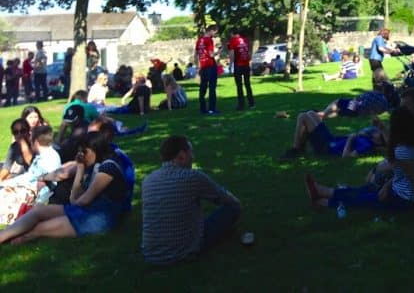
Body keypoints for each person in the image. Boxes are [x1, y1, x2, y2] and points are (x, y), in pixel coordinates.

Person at [305, 106, 414, 215]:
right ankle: (325, 192)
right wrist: (381, 128)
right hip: (403, 190)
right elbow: (408, 171)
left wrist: (387, 185)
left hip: (406, 198)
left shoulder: (404, 150)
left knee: (364, 199)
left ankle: (324, 202)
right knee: (365, 190)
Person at [0, 132, 133, 245]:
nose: (81, 155)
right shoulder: (94, 166)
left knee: (37, 229)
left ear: (95, 149)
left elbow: (82, 201)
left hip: (100, 218)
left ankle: (10, 237)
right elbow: (74, 198)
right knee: (39, 209)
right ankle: (6, 234)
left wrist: (75, 200)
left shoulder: (107, 169)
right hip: (87, 210)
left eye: (84, 151)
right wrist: (80, 168)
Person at [141, 135, 241, 265]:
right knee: (233, 208)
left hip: (151, 255)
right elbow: (228, 199)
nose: (193, 157)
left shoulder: (148, 180)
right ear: (182, 155)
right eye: (191, 152)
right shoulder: (192, 176)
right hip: (184, 251)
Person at [0, 125, 62, 225]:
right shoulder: (45, 155)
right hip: (33, 188)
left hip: (38, 193)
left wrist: (6, 183)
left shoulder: (48, 158)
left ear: (36, 142)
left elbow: (31, 177)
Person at [279, 111, 388, 160]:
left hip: (326, 148)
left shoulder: (367, 145)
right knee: (311, 113)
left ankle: (296, 149)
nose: (375, 131)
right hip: (331, 139)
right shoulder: (366, 138)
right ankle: (300, 148)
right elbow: (375, 126)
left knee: (302, 116)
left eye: (378, 133)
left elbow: (346, 157)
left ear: (379, 141)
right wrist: (378, 124)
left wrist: (350, 139)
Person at [318, 81, 400, 120]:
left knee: (338, 102)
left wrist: (355, 100)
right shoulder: (386, 106)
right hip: (359, 113)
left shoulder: (376, 94)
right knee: (339, 112)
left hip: (356, 105)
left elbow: (360, 97)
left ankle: (321, 115)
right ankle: (322, 116)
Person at [227, 27, 255, 110]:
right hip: (246, 64)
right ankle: (251, 103)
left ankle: (241, 105)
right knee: (247, 84)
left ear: (232, 33)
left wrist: (230, 65)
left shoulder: (233, 41)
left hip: (238, 65)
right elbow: (248, 52)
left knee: (239, 86)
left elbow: (232, 54)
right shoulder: (245, 40)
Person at [196, 24, 220, 115]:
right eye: (215, 32)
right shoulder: (209, 40)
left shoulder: (199, 40)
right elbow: (211, 55)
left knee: (203, 88)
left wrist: (198, 67)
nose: (214, 35)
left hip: (203, 66)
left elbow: (197, 54)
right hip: (210, 65)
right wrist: (218, 52)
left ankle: (202, 108)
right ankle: (212, 108)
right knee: (212, 88)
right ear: (211, 31)